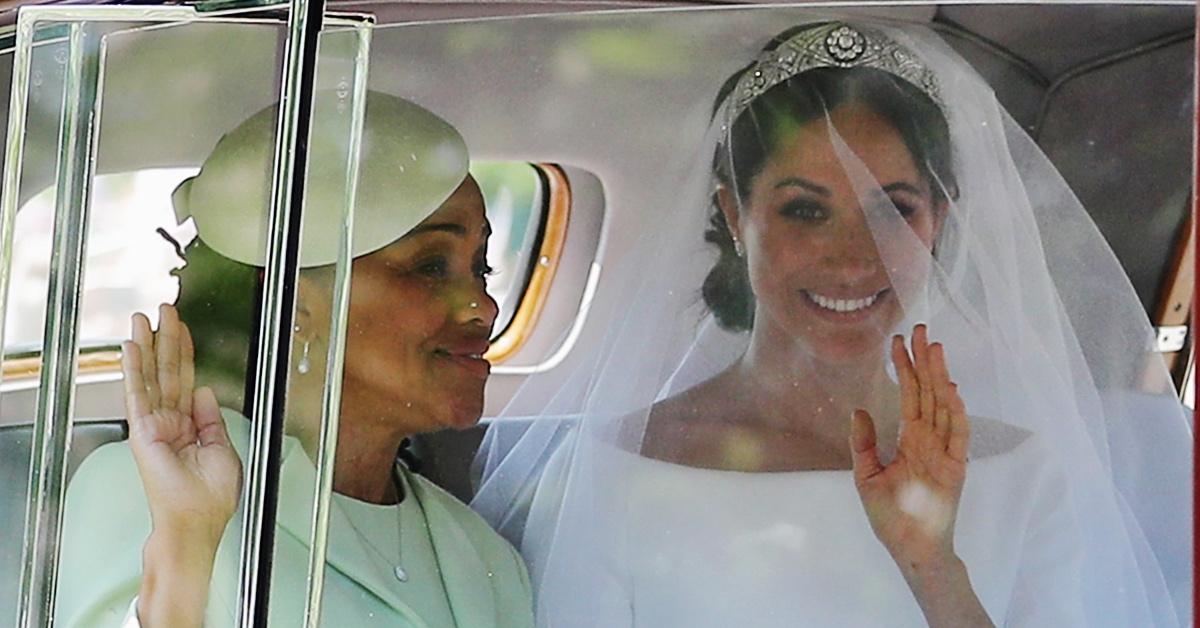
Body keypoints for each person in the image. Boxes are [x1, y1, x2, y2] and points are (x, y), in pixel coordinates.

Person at [472, 20, 1191, 627]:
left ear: (937, 220)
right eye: (805, 209)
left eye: (894, 209)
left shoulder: (1029, 476)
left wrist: (933, 569)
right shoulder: (608, 470)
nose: (854, 258)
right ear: (734, 213)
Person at [55, 92, 534, 627]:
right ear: (298, 308)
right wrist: (184, 548)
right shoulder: (149, 490)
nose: (482, 307)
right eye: (430, 268)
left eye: (481, 269)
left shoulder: (488, 557)